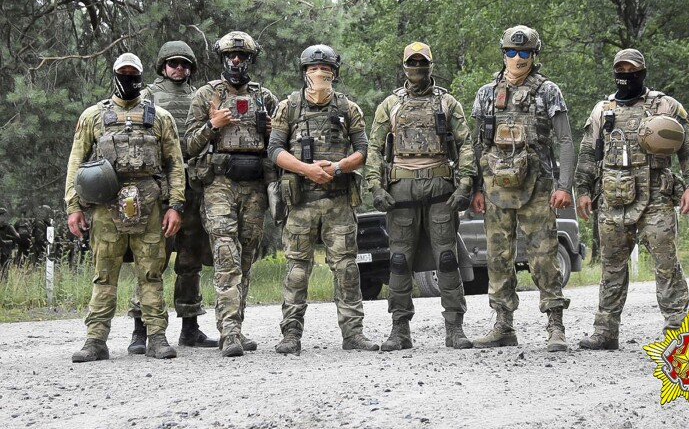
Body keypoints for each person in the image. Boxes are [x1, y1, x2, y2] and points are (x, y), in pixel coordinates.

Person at [575, 48, 689, 350]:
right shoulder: (602, 111)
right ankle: (605, 332)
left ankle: (678, 334)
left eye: (631, 69)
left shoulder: (666, 106)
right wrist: (582, 190)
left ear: (642, 72)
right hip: (612, 200)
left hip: (656, 199)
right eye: (620, 69)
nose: (625, 75)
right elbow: (587, 153)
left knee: (666, 266)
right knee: (611, 268)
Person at [65, 53, 185, 362]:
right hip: (106, 204)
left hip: (149, 204)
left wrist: (175, 206)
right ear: (115, 74)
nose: (128, 78)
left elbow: (175, 165)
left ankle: (157, 337)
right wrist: (73, 207)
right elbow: (76, 163)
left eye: (134, 74)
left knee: (151, 273)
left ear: (141, 76)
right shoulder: (93, 115)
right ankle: (95, 340)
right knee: (104, 274)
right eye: (124, 73)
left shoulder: (160, 117)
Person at [267, 44, 378, 355]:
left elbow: (364, 150)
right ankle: (291, 335)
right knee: (297, 269)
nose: (319, 75)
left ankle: (353, 334)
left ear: (335, 73)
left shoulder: (348, 109)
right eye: (313, 70)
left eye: (325, 70)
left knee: (346, 269)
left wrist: (339, 166)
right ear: (304, 73)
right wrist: (306, 169)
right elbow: (274, 150)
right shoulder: (287, 107)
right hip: (301, 201)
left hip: (339, 201)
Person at [470, 25, 575, 352]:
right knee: (498, 256)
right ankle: (503, 324)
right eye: (512, 52)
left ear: (534, 55)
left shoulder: (548, 91)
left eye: (525, 52)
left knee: (544, 255)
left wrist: (564, 185)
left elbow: (567, 140)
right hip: (495, 187)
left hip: (538, 186)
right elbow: (476, 144)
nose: (518, 58)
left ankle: (555, 325)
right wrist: (476, 187)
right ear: (503, 53)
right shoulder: (486, 93)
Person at [366, 41, 476, 351]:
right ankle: (400, 329)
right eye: (411, 62)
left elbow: (466, 144)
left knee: (447, 258)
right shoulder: (390, 105)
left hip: (441, 188)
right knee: (399, 260)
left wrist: (465, 184)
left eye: (422, 61)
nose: (417, 67)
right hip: (401, 190)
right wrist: (375, 185)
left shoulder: (447, 103)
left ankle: (455, 327)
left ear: (431, 64)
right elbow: (374, 148)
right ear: (403, 66)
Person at [186, 31, 278, 357]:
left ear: (249, 60)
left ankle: (235, 323)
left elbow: (279, 146)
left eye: (241, 57)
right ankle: (229, 332)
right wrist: (213, 124)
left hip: (254, 186)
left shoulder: (265, 97)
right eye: (231, 56)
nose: (236, 61)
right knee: (226, 255)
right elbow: (188, 145)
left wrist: (271, 132)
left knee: (246, 258)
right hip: (220, 184)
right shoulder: (206, 95)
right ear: (223, 58)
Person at [126, 41, 217, 354]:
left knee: (190, 260)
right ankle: (141, 329)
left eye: (185, 64)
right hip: (159, 189)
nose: (179, 69)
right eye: (174, 64)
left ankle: (190, 327)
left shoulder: (199, 97)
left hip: (193, 186)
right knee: (152, 260)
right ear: (162, 65)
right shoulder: (148, 95)